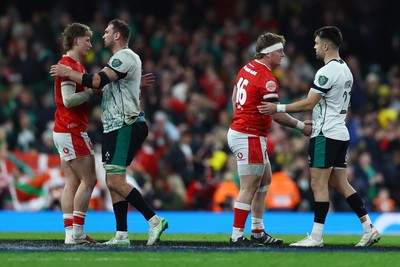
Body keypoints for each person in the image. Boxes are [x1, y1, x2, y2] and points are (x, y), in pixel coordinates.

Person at [258, 26, 381, 247]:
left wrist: (277, 108)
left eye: (316, 44)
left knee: (318, 183)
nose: (314, 47)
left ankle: (315, 236)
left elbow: (309, 102)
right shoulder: (345, 70)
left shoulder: (326, 71)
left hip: (325, 134)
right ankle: (369, 227)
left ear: (325, 45)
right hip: (339, 132)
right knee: (339, 183)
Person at [50, 19, 168, 246]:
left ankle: (154, 220)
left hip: (124, 124)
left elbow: (97, 81)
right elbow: (102, 87)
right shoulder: (121, 59)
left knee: (111, 179)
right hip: (112, 126)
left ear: (117, 36)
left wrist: (68, 72)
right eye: (89, 39)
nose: (99, 38)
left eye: (106, 32)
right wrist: (133, 84)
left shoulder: (122, 57)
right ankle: (121, 234)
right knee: (112, 179)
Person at [227, 32, 312, 246]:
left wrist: (241, 115)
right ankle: (237, 235)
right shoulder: (267, 78)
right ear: (268, 53)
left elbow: (234, 96)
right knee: (249, 186)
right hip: (250, 135)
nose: (283, 54)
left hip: (244, 131)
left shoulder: (246, 68)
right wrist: (301, 126)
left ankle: (258, 231)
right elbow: (275, 113)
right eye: (280, 50)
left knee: (264, 180)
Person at [52, 23, 99, 244]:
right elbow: (69, 100)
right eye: (87, 39)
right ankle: (77, 233)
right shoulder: (68, 66)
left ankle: (70, 234)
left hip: (63, 129)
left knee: (72, 181)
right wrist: (90, 91)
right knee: (89, 180)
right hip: (71, 129)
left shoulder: (74, 66)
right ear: (75, 41)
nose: (90, 44)